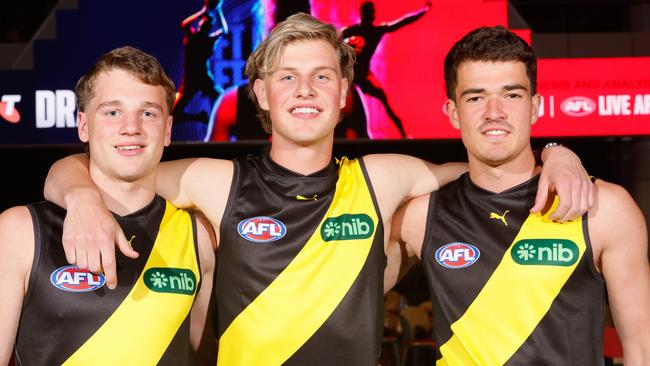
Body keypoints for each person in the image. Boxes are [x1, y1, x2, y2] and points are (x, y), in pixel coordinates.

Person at [44, 14, 593, 365]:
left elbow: (490, 168)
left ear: (345, 93)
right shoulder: (214, 181)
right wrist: (83, 197)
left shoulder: (383, 178)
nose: (305, 90)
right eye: (287, 76)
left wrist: (556, 153)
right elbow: (90, 167)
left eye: (322, 76)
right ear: (260, 93)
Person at [389, 26, 650, 365]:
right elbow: (336, 302)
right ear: (453, 113)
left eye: (511, 95)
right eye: (476, 97)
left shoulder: (604, 207)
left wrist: (555, 151)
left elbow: (642, 349)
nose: (494, 111)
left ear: (535, 106)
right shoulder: (419, 216)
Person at [0, 46, 217, 365]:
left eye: (148, 112)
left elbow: (207, 357)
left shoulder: (197, 238)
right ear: (83, 126)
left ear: (168, 129)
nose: (132, 127)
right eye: (112, 112)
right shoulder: (19, 231)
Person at [342, 0, 431, 138]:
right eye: (367, 13)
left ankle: (404, 135)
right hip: (350, 78)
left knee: (384, 100)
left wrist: (423, 11)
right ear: (362, 14)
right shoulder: (349, 31)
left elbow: (402, 22)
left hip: (364, 76)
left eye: (371, 13)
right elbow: (332, 44)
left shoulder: (376, 31)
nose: (370, 16)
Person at [173, 0, 228, 128]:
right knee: (174, 114)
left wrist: (216, 10)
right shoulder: (193, 36)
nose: (204, 22)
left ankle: (219, 122)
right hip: (191, 81)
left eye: (207, 22)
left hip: (202, 79)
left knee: (224, 99)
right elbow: (184, 24)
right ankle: (200, 117)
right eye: (204, 20)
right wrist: (206, 11)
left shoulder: (207, 40)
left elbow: (224, 31)